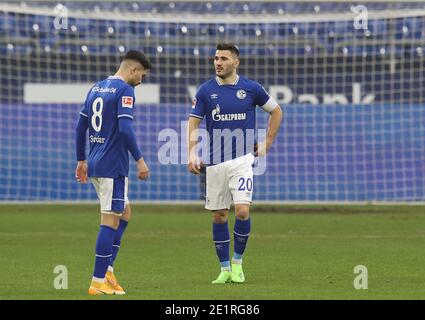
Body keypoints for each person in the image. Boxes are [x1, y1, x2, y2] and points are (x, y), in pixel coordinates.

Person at [187, 43, 283, 284]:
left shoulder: (251, 88)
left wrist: (266, 144)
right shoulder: (206, 91)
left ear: (235, 62)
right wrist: (191, 153)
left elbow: (276, 111)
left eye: (224, 59)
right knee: (219, 215)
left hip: (242, 161)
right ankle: (224, 268)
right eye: (216, 58)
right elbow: (193, 122)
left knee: (241, 211)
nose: (218, 62)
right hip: (214, 163)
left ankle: (238, 263)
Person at [75, 50, 151, 295]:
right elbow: (126, 130)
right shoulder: (125, 90)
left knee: (125, 212)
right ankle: (97, 281)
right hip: (113, 165)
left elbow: (81, 126)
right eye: (142, 75)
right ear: (133, 70)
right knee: (109, 218)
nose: (141, 80)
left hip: (96, 162)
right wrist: (140, 160)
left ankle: (107, 270)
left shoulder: (97, 87)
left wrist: (81, 159)